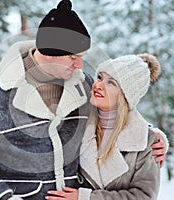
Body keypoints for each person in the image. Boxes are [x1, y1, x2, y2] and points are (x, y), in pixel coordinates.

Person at [0, 0, 167, 199]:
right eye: (73, 57)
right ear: (49, 52)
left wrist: (152, 137)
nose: (79, 65)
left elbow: (115, 112)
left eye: (83, 57)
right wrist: (3, 197)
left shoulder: (83, 84)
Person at [46, 54, 164, 200]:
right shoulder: (78, 122)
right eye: (100, 77)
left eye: (111, 83)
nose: (98, 85)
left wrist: (86, 197)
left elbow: (144, 196)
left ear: (126, 96)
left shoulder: (145, 141)